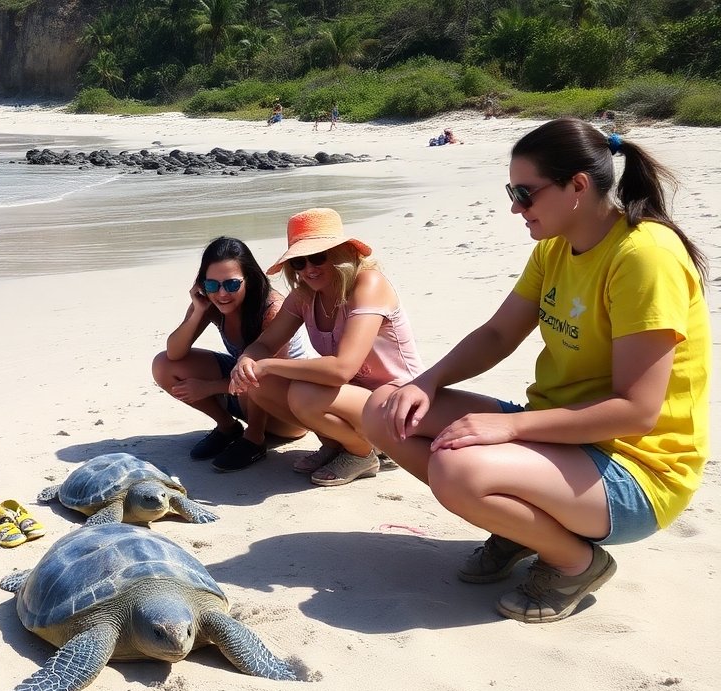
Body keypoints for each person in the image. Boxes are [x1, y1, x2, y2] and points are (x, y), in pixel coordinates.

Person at [363, 118, 710, 624]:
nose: (514, 207)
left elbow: (636, 412)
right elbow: (498, 335)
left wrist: (509, 426)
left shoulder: (644, 256)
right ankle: (521, 525)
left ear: (577, 185)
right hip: (561, 437)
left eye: (525, 193)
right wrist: (424, 382)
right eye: (512, 192)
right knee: (385, 410)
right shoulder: (554, 247)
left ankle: (576, 561)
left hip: (638, 470)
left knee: (457, 469)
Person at [229, 208, 424, 486]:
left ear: (342, 254)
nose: (309, 269)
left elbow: (342, 369)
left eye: (318, 257)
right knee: (259, 384)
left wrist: (267, 364)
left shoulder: (368, 283)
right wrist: (247, 361)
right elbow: (266, 342)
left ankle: (362, 453)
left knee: (302, 392)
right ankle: (335, 444)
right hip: (356, 399)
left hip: (398, 403)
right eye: (299, 262)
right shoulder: (304, 296)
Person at [152, 236, 315, 472]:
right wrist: (199, 311)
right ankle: (228, 427)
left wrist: (208, 388)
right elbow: (175, 353)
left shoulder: (271, 308)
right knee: (163, 365)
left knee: (257, 369)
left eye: (231, 285)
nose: (221, 293)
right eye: (211, 285)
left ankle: (255, 439)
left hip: (286, 409)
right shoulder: (211, 302)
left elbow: (268, 374)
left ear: (249, 279)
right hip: (244, 391)